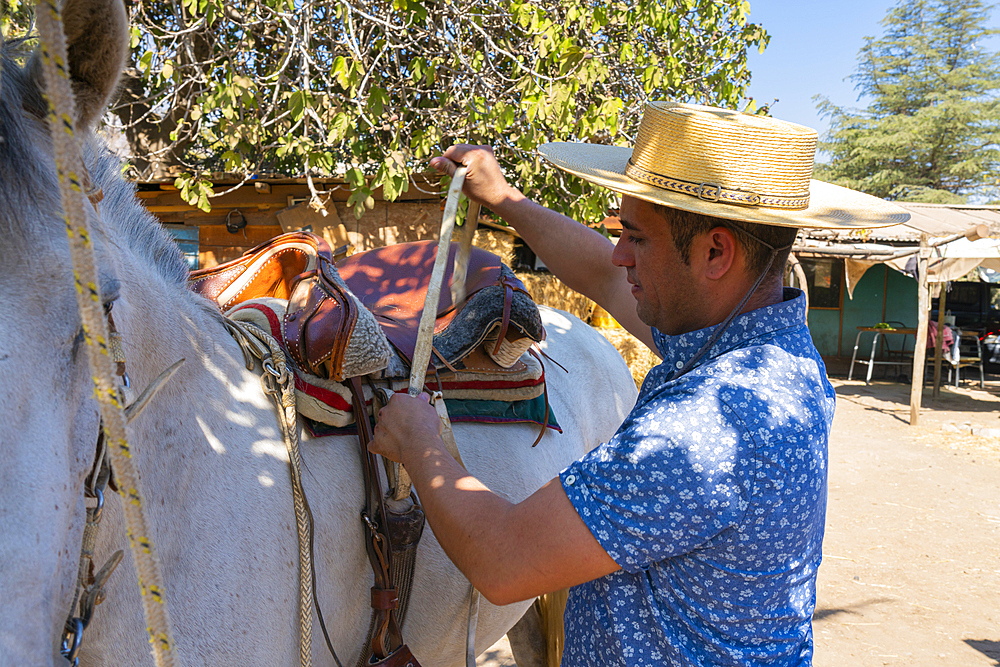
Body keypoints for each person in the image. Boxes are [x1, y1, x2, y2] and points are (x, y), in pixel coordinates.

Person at [369, 102, 908, 666]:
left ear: (715, 252)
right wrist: (505, 198)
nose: (619, 255)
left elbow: (504, 562)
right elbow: (603, 273)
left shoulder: (701, 430)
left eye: (635, 237)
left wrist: (421, 443)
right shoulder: (768, 353)